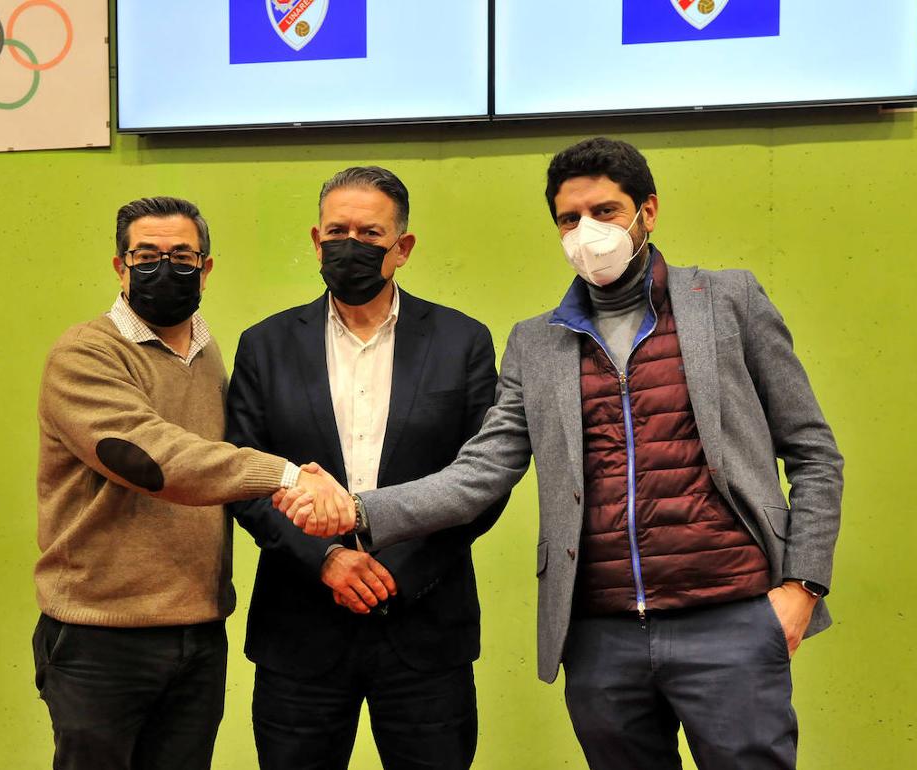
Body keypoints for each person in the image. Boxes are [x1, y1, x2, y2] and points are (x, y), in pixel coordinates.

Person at [278, 138, 844, 770]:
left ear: (647, 212)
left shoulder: (729, 303)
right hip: (601, 634)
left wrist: (802, 586)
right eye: (569, 219)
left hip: (731, 617)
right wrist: (357, 509)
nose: (587, 232)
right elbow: (480, 473)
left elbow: (813, 451)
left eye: (605, 211)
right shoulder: (535, 343)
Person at [31, 196, 351, 770]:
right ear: (119, 266)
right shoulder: (86, 351)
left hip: (198, 630)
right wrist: (283, 474)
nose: (164, 267)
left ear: (205, 267)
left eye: (182, 255)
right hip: (103, 636)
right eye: (146, 254)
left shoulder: (205, 353)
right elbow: (152, 458)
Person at [226, 166, 507, 770]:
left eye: (370, 233)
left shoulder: (463, 342)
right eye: (337, 231)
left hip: (426, 630)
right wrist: (325, 560)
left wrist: (392, 572)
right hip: (299, 632)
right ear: (315, 239)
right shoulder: (265, 345)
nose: (349, 245)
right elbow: (243, 480)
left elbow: (485, 479)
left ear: (402, 248)